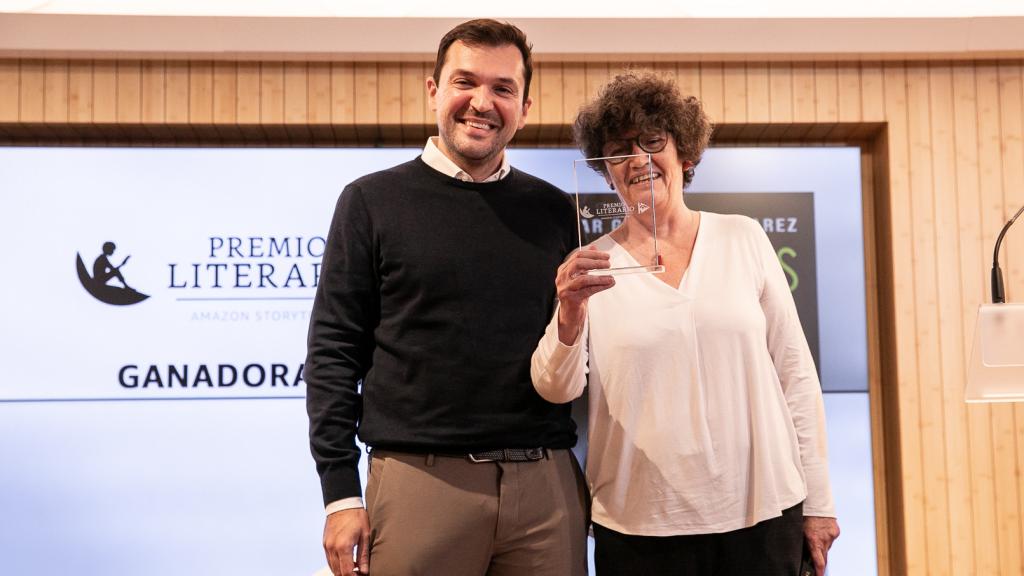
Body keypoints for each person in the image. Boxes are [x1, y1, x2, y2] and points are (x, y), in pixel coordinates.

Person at [305, 19, 587, 576]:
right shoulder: (370, 201)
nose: (482, 102)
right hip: (420, 483)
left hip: (547, 487)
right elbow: (334, 353)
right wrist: (340, 493)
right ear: (434, 90)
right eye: (465, 82)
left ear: (525, 108)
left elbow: (579, 352)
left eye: (503, 88)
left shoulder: (558, 211)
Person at [531, 71, 840, 576]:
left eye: (653, 141)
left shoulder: (743, 238)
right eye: (618, 149)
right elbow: (554, 387)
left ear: (685, 154)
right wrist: (568, 314)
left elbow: (795, 375)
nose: (637, 160)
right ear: (605, 171)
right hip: (640, 527)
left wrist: (819, 500)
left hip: (762, 514)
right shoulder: (589, 267)